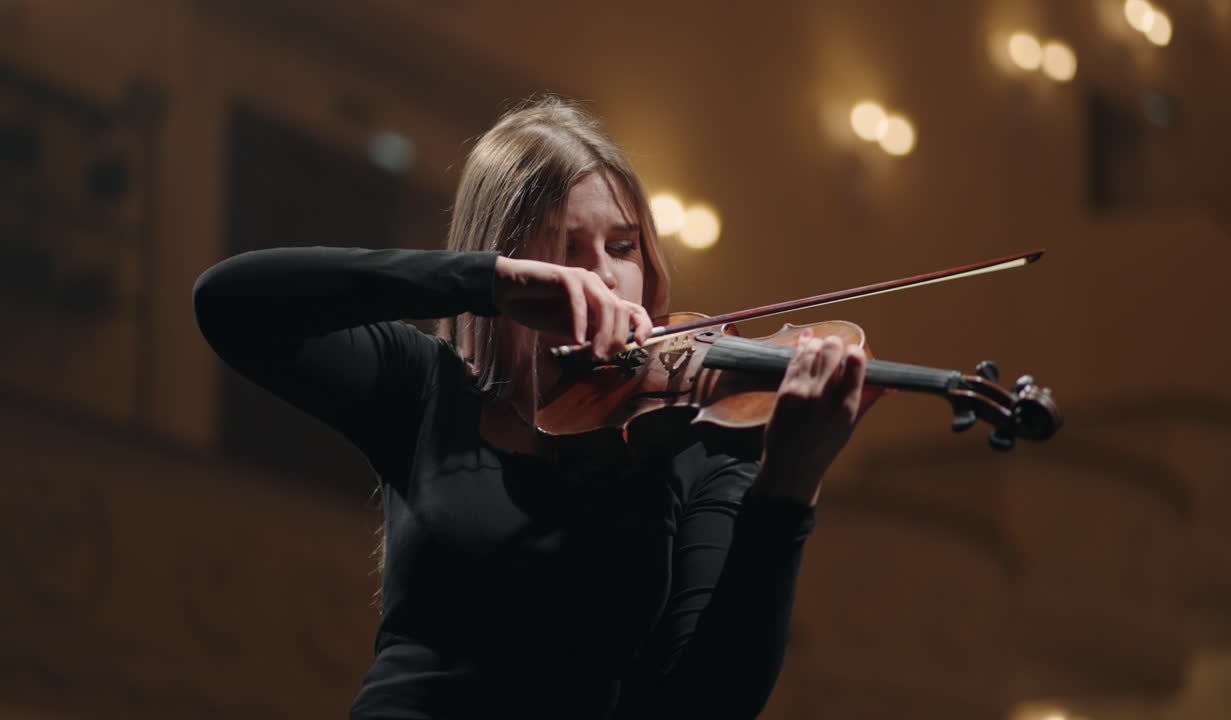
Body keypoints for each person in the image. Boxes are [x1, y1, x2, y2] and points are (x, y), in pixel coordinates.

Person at [193, 96, 867, 720]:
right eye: (563, 247)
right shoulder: (424, 389)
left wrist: (787, 491)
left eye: (622, 246)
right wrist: (479, 281)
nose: (603, 274)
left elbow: (709, 705)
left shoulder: (693, 439)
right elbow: (230, 304)